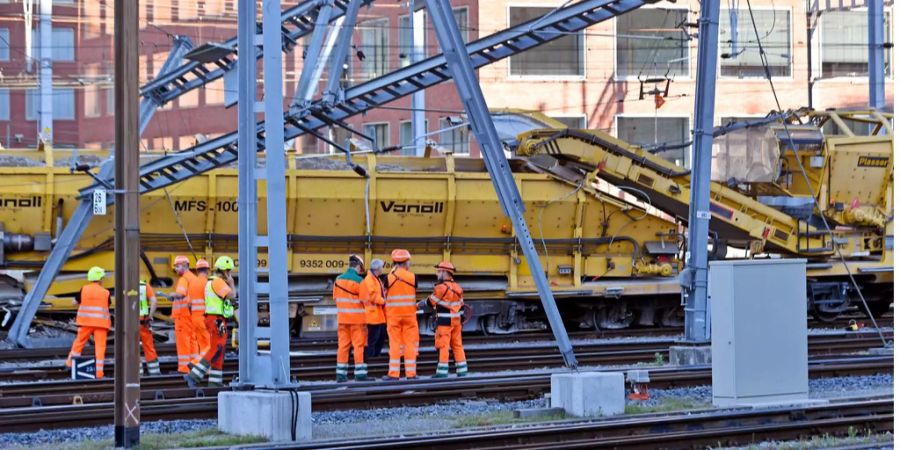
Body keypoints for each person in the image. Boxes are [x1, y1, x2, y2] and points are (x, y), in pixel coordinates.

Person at [186, 256, 237, 387]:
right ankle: (193, 376)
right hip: (216, 320)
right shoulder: (218, 282)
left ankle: (215, 383)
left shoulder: (211, 282)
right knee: (216, 348)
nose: (230, 274)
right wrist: (231, 283)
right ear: (225, 271)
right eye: (229, 271)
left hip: (214, 319)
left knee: (219, 352)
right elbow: (231, 296)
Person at [65, 266, 111, 378]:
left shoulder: (84, 289)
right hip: (101, 324)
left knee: (79, 343)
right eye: (102, 278)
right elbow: (107, 305)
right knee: (100, 347)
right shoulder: (106, 292)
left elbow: (74, 302)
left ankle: (70, 364)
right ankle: (99, 373)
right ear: (99, 278)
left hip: (85, 322)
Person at [383, 249, 419, 380]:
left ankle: (393, 374)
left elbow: (384, 294)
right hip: (409, 316)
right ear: (406, 262)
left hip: (393, 316)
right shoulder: (413, 277)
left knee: (395, 344)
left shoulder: (388, 278)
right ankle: (411, 374)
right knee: (410, 344)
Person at [428, 261, 467, 378]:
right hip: (456, 322)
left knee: (443, 346)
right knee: (457, 345)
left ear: (445, 273)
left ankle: (442, 372)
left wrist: (419, 305)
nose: (437, 274)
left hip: (444, 323)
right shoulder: (458, 288)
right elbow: (462, 306)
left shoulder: (440, 288)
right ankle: (462, 371)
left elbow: (430, 302)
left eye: (439, 271)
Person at [334, 254, 369, 381]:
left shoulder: (338, 280)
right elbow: (366, 300)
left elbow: (336, 298)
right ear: (358, 266)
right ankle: (360, 374)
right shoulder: (360, 281)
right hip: (357, 320)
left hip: (343, 320)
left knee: (343, 346)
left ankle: (341, 375)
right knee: (358, 346)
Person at [172, 255, 199, 373]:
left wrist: (170, 295)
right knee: (192, 341)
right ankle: (194, 365)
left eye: (177, 266)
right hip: (192, 315)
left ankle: (184, 368)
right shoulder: (194, 278)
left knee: (183, 342)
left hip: (182, 316)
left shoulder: (183, 279)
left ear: (184, 266)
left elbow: (180, 294)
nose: (176, 269)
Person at [360, 258, 387, 361]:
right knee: (373, 339)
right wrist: (384, 301)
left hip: (377, 315)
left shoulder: (376, 279)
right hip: (372, 316)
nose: (383, 269)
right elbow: (372, 296)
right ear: (377, 268)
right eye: (382, 267)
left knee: (380, 337)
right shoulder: (369, 279)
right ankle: (371, 359)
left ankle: (374, 357)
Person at [189, 259, 211, 362]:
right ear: (208, 270)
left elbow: (189, 303)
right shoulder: (207, 284)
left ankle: (203, 369)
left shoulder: (192, 284)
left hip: (195, 318)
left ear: (197, 271)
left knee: (202, 346)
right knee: (209, 345)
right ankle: (195, 363)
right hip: (204, 318)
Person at [139, 279, 161, 376]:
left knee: (131, 348)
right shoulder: (144, 285)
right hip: (143, 321)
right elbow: (154, 301)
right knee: (149, 346)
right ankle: (155, 373)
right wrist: (150, 316)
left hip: (129, 322)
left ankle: (137, 374)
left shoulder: (124, 285)